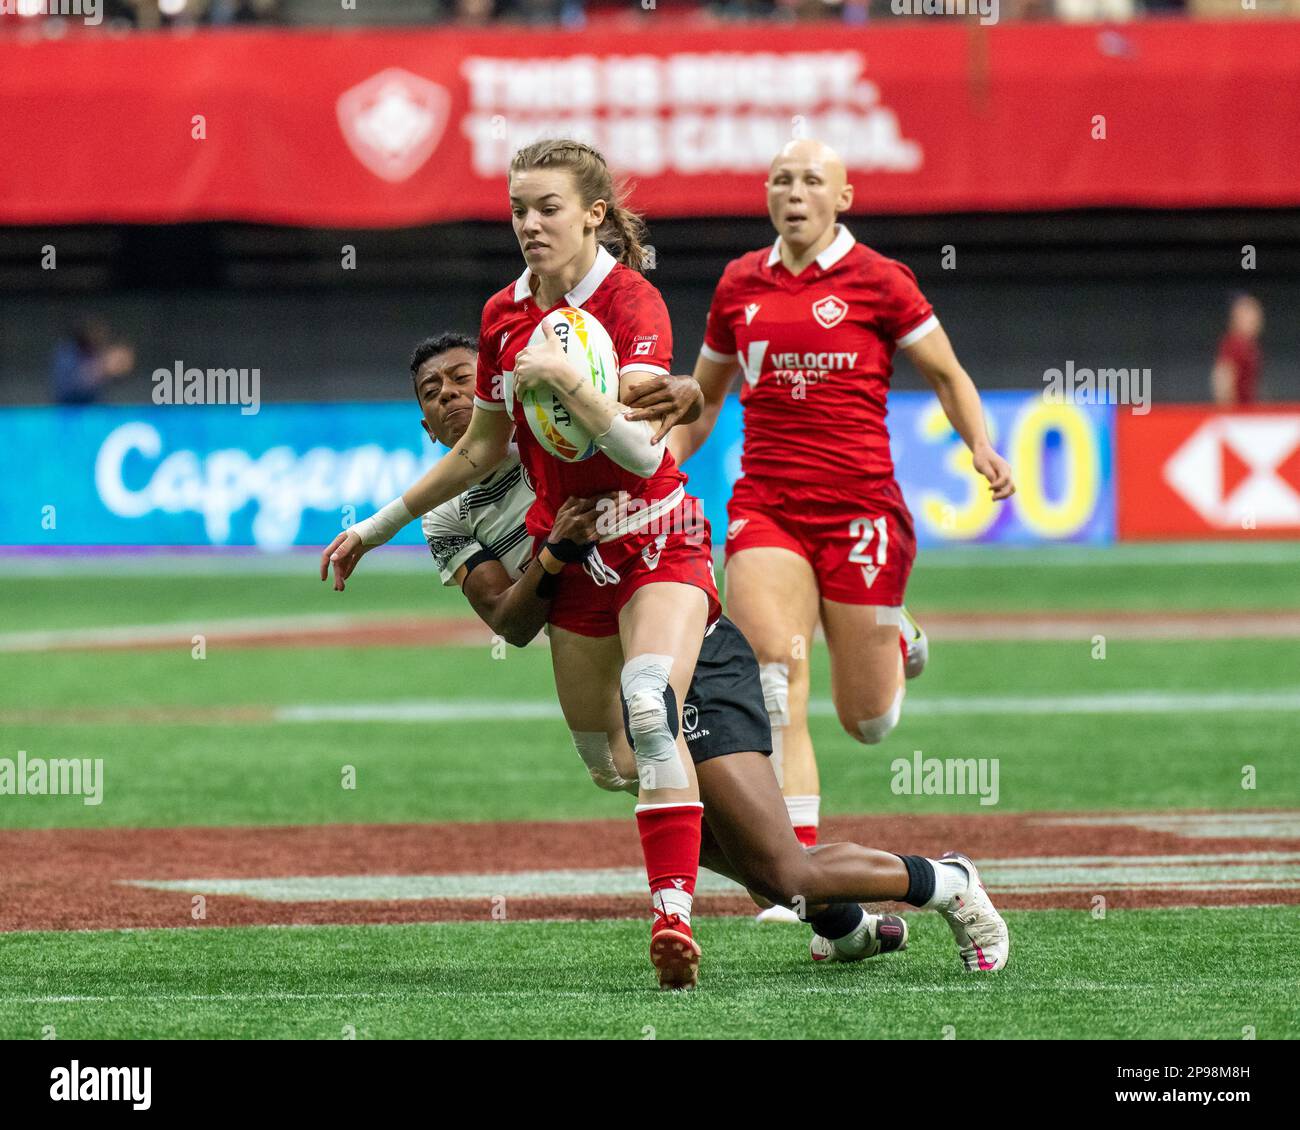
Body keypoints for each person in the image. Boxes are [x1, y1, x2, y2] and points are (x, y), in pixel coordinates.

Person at [408, 331, 1010, 974]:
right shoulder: (443, 513)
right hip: (609, 665)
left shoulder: (553, 434)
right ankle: (851, 929)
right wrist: (555, 553)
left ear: (501, 389)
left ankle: (948, 882)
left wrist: (687, 390)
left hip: (688, 647)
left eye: (463, 379)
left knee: (781, 867)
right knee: (762, 870)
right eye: (432, 391)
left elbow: (651, 423)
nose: (449, 394)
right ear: (423, 423)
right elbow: (511, 620)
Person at [323, 139, 722, 990]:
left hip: (654, 533)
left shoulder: (633, 300)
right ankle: (719, 815)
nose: (530, 224)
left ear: (594, 214)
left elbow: (647, 456)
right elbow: (479, 448)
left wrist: (565, 380)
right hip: (570, 554)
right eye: (518, 209)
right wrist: (378, 527)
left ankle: (673, 918)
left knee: (649, 709)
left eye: (548, 207)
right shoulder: (503, 314)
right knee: (613, 762)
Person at [672, 138, 1016, 904]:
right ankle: (797, 878)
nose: (793, 191)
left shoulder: (880, 282)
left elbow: (947, 374)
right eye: (781, 179)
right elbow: (703, 400)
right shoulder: (738, 285)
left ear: (844, 197)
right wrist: (655, 457)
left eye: (810, 180)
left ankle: (894, 637)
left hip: (862, 512)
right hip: (767, 509)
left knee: (868, 722)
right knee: (773, 679)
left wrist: (983, 447)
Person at [50, 317, 134, 406]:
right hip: (68, 411)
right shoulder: (67, 353)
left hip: (94, 411)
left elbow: (116, 379)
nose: (101, 335)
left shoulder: (96, 352)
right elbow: (71, 386)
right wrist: (103, 367)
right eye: (96, 331)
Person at [1212, 293, 1264, 408]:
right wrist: (1228, 410)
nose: (1256, 319)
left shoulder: (1252, 346)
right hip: (1237, 413)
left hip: (1248, 411)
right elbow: (1223, 379)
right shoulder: (1233, 344)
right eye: (1250, 315)